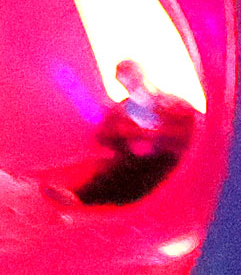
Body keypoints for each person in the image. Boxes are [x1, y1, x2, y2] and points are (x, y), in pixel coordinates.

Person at [75, 58, 197, 206]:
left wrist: (154, 135)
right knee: (123, 171)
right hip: (135, 159)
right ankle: (83, 197)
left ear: (140, 75)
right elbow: (105, 136)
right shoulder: (121, 110)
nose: (131, 84)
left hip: (165, 160)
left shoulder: (173, 104)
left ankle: (86, 197)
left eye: (132, 77)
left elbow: (189, 132)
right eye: (125, 80)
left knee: (144, 172)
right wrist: (124, 133)